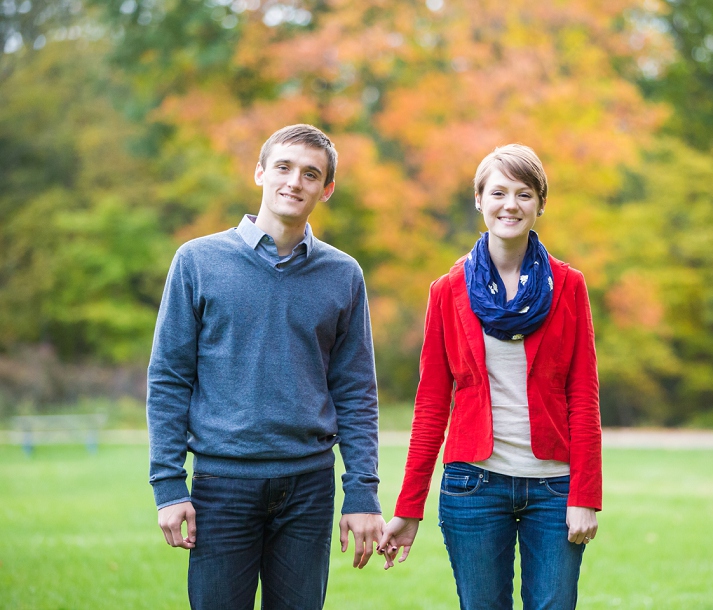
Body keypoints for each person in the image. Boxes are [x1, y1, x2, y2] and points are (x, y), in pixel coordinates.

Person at [147, 124, 385, 610]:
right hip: (221, 486)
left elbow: (356, 392)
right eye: (283, 167)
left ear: (326, 189)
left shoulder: (343, 274)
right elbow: (169, 379)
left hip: (309, 489)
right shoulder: (197, 261)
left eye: (310, 174)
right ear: (260, 172)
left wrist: (362, 492)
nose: (295, 181)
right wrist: (169, 484)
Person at [379, 144, 602, 609]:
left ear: (540, 204)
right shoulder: (447, 290)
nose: (510, 205)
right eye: (498, 192)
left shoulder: (569, 286)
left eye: (524, 194)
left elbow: (583, 396)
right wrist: (409, 506)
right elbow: (432, 405)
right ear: (479, 200)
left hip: (553, 489)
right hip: (473, 486)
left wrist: (585, 494)